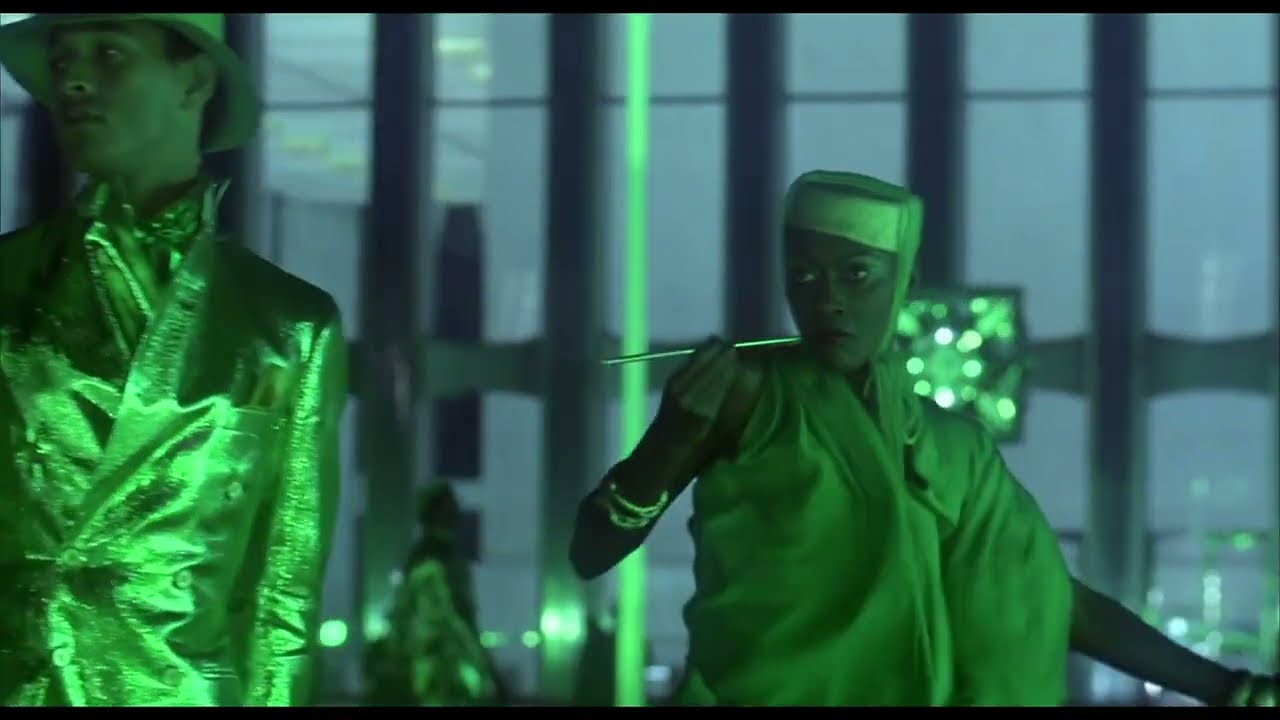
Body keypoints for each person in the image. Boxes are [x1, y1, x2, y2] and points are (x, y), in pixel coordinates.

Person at [569, 170, 1278, 706]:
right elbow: (591, 551)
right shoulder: (747, 396)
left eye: (857, 275)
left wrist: (1229, 689)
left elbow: (1056, 602)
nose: (828, 300)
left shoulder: (957, 451)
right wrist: (671, 438)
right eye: (805, 278)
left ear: (903, 285)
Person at [0, 14, 346, 706]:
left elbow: (284, 593)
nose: (73, 80)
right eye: (63, 61)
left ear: (195, 82)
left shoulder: (288, 324)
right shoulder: (9, 285)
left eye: (109, 53)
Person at [367, 484, 502, 706]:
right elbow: (457, 616)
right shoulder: (438, 562)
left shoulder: (420, 559)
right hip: (440, 672)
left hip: (425, 669)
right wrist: (485, 667)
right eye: (450, 509)